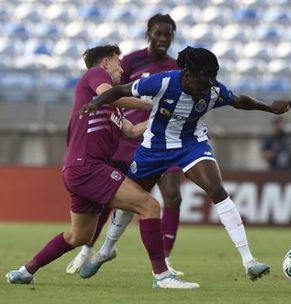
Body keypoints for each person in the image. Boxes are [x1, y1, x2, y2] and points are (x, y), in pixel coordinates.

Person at [79, 46, 291, 281]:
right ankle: (106, 250)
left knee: (217, 189)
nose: (208, 86)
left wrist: (270, 108)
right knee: (134, 201)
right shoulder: (162, 82)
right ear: (187, 75)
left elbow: (240, 101)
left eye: (213, 79)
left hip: (192, 145)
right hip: (154, 148)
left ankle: (249, 260)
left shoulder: (213, 90)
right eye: (204, 79)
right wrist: (97, 102)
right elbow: (119, 90)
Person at [5, 45, 199, 289]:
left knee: (79, 236)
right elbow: (111, 93)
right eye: (118, 63)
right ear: (106, 62)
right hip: (88, 166)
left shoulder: (113, 107)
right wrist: (152, 104)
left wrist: (164, 118)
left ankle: (25, 271)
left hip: (79, 170)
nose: (122, 69)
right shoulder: (95, 75)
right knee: (149, 205)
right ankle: (162, 276)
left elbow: (130, 131)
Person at [65, 14, 186, 276]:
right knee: (111, 199)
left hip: (164, 140)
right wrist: (147, 106)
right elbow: (112, 92)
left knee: (173, 196)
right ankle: (89, 249)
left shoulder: (176, 67)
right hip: (129, 140)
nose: (163, 38)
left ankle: (165, 260)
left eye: (168, 34)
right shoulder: (131, 61)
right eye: (159, 33)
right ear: (149, 34)